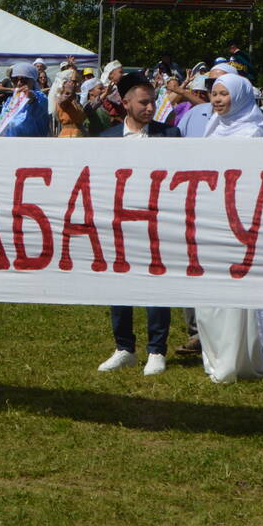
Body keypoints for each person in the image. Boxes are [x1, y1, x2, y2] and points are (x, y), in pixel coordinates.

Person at [195, 74, 263, 383]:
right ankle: (214, 354)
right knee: (211, 292)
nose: (216, 100)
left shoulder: (254, 131)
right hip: (211, 216)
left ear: (239, 95)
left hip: (240, 220)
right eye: (214, 94)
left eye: (224, 94)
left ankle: (240, 357)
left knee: (238, 289)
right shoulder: (211, 127)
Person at [96, 72, 181, 375]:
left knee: (157, 282)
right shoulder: (106, 139)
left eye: (153, 102)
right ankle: (124, 347)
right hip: (119, 220)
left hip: (157, 219)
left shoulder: (170, 134)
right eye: (144, 102)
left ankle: (157, 349)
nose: (150, 108)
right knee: (119, 282)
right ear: (125, 102)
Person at [0, 63, 51, 137]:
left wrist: (31, 97)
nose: (19, 83)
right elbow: (0, 122)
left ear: (33, 80)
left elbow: (38, 106)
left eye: (24, 80)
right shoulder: (10, 100)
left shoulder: (40, 97)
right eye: (15, 79)